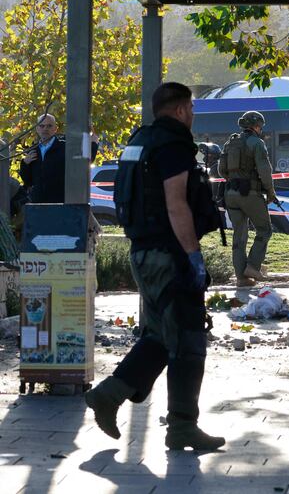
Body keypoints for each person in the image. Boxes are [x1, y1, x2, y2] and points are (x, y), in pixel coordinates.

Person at [84, 82, 225, 451]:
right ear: (179, 110)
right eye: (191, 108)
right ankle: (181, 426)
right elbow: (176, 204)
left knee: (163, 336)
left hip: (142, 252)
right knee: (189, 340)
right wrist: (193, 257)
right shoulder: (173, 143)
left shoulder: (139, 141)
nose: (193, 115)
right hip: (168, 254)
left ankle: (109, 396)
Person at [218, 111, 276, 287]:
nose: (261, 129)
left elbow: (221, 170)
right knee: (265, 230)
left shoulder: (230, 142)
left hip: (230, 195)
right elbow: (265, 171)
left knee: (239, 235)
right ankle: (252, 266)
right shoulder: (257, 143)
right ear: (256, 126)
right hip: (250, 194)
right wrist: (270, 191)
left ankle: (241, 278)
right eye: (260, 126)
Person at [20, 113, 99, 203]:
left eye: (49, 126)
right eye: (42, 126)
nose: (45, 129)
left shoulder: (65, 147)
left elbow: (83, 164)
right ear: (37, 129)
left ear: (55, 129)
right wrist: (25, 163)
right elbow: (28, 181)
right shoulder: (33, 150)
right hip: (38, 205)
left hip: (61, 204)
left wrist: (93, 144)